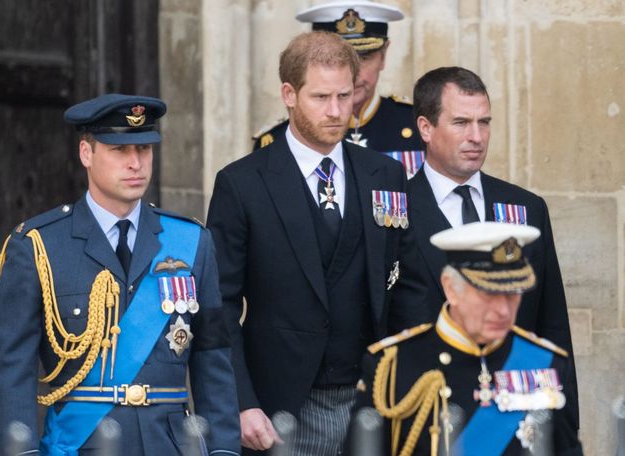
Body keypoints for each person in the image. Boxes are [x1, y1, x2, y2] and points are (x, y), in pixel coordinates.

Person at [208, 31, 428, 455]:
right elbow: (220, 305)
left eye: (344, 96)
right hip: (283, 407)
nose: (336, 111)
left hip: (374, 397)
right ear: (289, 94)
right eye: (321, 97)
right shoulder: (242, 184)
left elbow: (409, 284)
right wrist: (242, 401)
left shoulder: (384, 174)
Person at [0, 94, 240, 455]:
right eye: (120, 150)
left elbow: (213, 359)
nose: (136, 163)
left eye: (145, 149)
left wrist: (223, 449)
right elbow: (11, 372)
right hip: (82, 444)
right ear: (86, 154)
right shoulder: (38, 246)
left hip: (169, 445)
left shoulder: (190, 242)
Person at [407, 66, 579, 425]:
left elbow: (552, 322)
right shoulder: (396, 210)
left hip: (512, 412)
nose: (476, 136)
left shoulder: (526, 207)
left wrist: (564, 422)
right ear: (426, 128)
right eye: (460, 123)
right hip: (427, 409)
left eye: (484, 122)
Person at [354, 222, 583, 455]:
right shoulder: (392, 366)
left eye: (513, 294)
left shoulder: (545, 363)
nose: (503, 310)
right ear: (451, 288)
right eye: (490, 294)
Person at [253, 0, 425, 179]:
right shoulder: (277, 139)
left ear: (383, 56)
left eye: (364, 58)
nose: (353, 74)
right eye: (335, 63)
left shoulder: (416, 125)